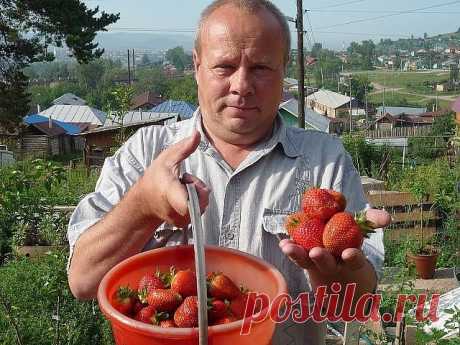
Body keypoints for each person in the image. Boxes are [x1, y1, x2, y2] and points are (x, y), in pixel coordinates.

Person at [67, 0, 391, 343]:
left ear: (284, 70)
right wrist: (143, 205)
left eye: (262, 68)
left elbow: (352, 305)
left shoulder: (324, 160)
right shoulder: (147, 153)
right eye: (224, 66)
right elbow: (84, 280)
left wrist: (338, 279)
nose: (242, 85)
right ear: (196, 66)